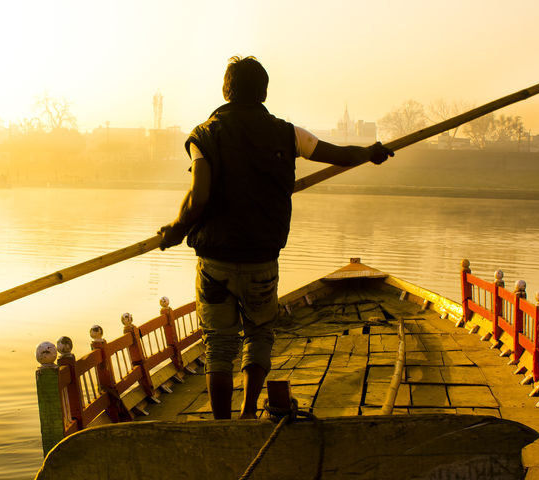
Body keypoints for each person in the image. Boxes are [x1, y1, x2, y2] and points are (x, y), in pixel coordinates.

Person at [158, 55, 393, 420]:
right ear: (264, 93)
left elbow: (198, 196)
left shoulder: (203, 135)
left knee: (218, 345)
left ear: (226, 89)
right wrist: (370, 153)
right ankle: (249, 413)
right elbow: (340, 154)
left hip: (215, 262)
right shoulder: (288, 134)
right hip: (261, 258)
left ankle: (222, 426)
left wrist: (176, 228)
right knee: (258, 334)